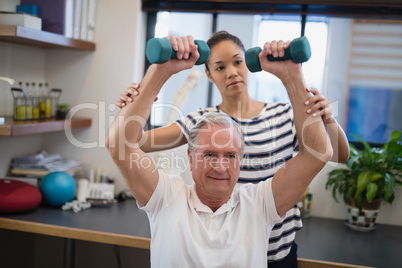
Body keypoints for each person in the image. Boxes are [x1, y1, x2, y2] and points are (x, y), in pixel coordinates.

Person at [116, 31, 349, 266]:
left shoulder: (284, 114)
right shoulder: (203, 122)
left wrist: (326, 118)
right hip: (227, 245)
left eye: (238, 62)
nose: (232, 72)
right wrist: (134, 104)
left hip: (278, 249)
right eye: (220, 67)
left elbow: (334, 155)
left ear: (247, 63)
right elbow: (133, 142)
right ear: (208, 74)